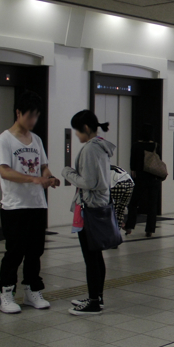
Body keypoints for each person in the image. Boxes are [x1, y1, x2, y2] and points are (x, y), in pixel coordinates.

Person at [0, 91, 60, 314]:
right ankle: (5, 293)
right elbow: (4, 171)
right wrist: (33, 179)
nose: (33, 121)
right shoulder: (4, 140)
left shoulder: (36, 140)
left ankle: (32, 290)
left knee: (35, 251)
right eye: (30, 116)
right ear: (18, 113)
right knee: (15, 251)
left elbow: (43, 166)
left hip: (37, 204)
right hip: (14, 205)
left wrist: (49, 177)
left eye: (36, 116)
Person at [62, 110, 114, 315]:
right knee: (96, 256)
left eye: (77, 130)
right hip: (98, 206)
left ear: (85, 128)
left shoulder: (91, 149)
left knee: (91, 257)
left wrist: (67, 173)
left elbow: (89, 182)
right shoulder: (101, 146)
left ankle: (93, 302)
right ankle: (96, 297)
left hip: (89, 208)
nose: (76, 134)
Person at [125, 123, 161, 238]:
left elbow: (132, 163)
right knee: (152, 205)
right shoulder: (156, 146)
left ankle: (129, 226)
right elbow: (159, 161)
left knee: (133, 203)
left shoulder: (136, 145)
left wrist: (134, 171)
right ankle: (149, 230)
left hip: (140, 178)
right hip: (154, 178)